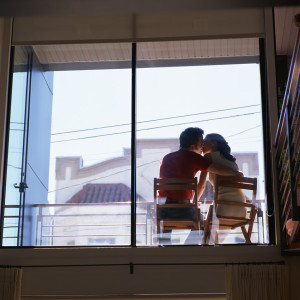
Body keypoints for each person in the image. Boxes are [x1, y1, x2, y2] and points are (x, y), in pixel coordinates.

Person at [158, 128, 243, 245]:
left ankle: (164, 246)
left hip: (162, 210)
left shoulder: (166, 157)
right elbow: (217, 169)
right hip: (183, 210)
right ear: (192, 147)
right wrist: (236, 173)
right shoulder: (193, 157)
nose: (203, 145)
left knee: (165, 233)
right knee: (205, 222)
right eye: (201, 143)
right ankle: (188, 249)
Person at [199, 133, 246, 218]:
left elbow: (201, 186)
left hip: (222, 208)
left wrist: (194, 202)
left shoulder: (208, 157)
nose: (202, 144)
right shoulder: (232, 161)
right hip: (241, 208)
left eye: (205, 141)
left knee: (202, 224)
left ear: (214, 143)